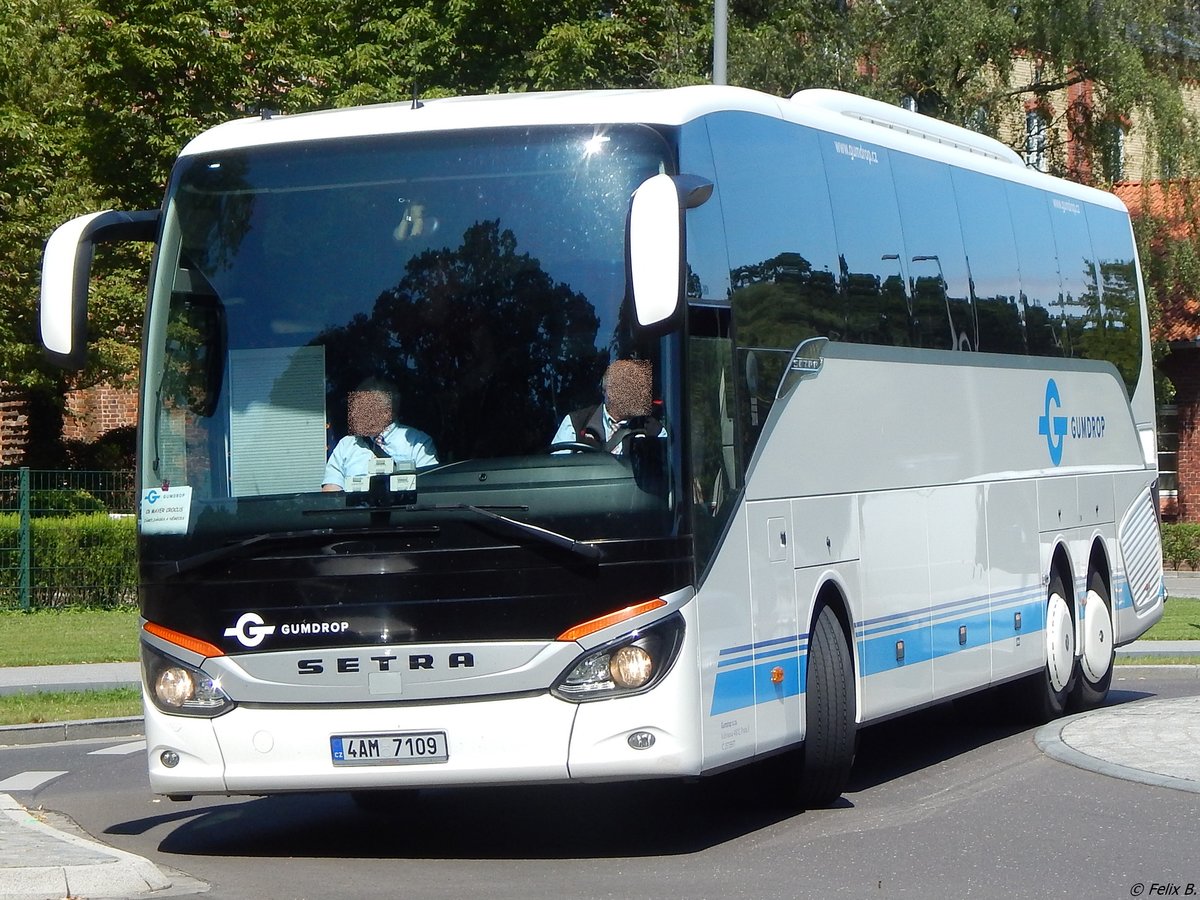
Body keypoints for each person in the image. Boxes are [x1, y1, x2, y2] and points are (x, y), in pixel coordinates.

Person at [322, 377, 438, 491]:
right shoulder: (345, 445)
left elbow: (428, 489)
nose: (353, 414)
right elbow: (331, 493)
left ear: (387, 413)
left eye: (362, 409)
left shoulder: (417, 443)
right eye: (353, 408)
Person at [551, 359, 663, 455]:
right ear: (607, 391)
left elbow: (665, 466)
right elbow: (557, 467)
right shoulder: (576, 422)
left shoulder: (652, 428)